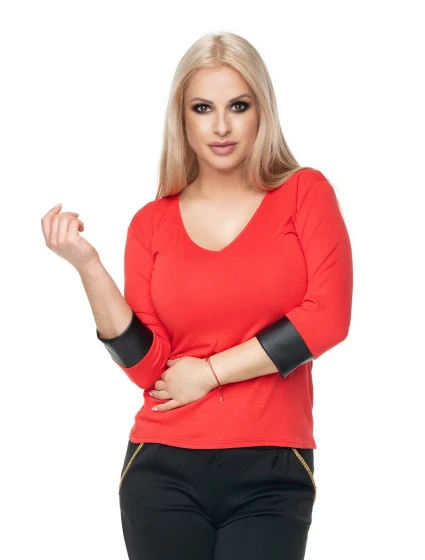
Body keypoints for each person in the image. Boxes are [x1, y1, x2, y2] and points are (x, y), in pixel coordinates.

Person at [41, 31, 353, 560]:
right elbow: (150, 368)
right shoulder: (151, 222)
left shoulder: (305, 193)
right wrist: (88, 266)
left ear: (262, 111)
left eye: (239, 106)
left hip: (272, 468)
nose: (221, 126)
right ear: (181, 118)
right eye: (203, 108)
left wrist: (209, 372)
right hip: (161, 467)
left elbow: (328, 318)